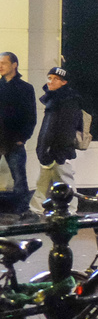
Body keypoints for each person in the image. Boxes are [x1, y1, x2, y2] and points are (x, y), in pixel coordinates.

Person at [33, 67, 81, 215]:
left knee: (64, 181)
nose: (51, 81)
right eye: (49, 78)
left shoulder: (68, 101)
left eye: (55, 79)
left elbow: (67, 128)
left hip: (58, 151)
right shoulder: (54, 99)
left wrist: (59, 149)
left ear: (64, 82)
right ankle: (37, 210)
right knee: (44, 182)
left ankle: (71, 211)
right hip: (49, 149)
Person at [0, 52, 36, 216]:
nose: (0, 66)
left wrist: (22, 138)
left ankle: (22, 210)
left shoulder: (25, 89)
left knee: (19, 177)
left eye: (4, 63)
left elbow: (30, 116)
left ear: (14, 65)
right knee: (19, 175)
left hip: (13, 140)